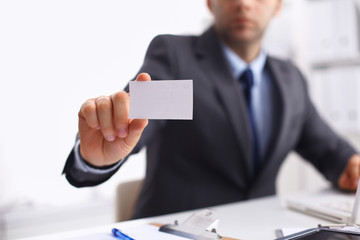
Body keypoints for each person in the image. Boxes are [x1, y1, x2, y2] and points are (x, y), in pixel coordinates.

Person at [63, 0, 360, 219]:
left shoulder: (290, 79)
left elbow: (331, 151)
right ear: (209, 3)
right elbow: (134, 124)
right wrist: (100, 153)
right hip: (178, 232)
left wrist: (349, 166)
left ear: (278, 6)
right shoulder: (175, 58)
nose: (244, 4)